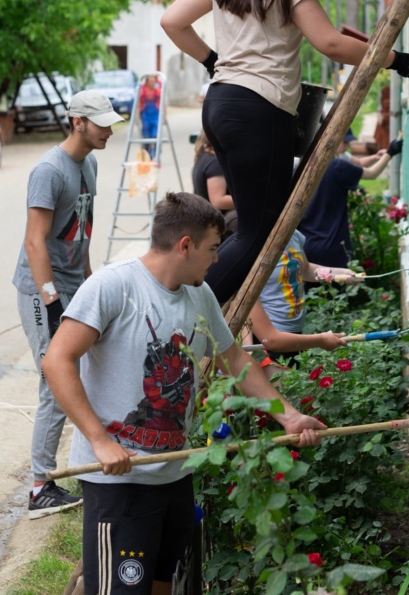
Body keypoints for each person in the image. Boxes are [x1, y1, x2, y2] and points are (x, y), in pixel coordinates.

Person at [42, 192, 324, 595]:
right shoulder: (112, 286)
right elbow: (57, 360)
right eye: (213, 248)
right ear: (185, 245)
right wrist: (99, 441)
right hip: (120, 481)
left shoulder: (199, 294)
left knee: (166, 586)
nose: (217, 259)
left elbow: (234, 359)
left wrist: (290, 417)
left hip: (174, 474)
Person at [160, 0, 409, 306]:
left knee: (247, 227)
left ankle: (189, 303)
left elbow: (172, 21)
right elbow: (330, 43)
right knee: (258, 235)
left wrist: (214, 61)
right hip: (259, 110)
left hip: (219, 104)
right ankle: (182, 310)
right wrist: (398, 60)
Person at [12, 89, 125, 519]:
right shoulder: (49, 170)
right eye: (102, 124)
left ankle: (91, 455)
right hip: (43, 290)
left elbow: (81, 230)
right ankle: (40, 487)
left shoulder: (89, 163)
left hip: (75, 285)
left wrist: (90, 282)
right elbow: (34, 241)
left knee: (90, 370)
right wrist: (52, 300)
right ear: (78, 122)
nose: (109, 131)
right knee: (55, 383)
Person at [245, 229, 360, 377]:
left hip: (295, 334)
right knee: (281, 390)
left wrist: (339, 273)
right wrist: (249, 349)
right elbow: (245, 299)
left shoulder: (293, 234)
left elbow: (305, 269)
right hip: (269, 335)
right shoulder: (255, 241)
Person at [299, 134, 404, 269]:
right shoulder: (337, 167)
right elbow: (372, 173)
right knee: (340, 281)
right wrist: (391, 152)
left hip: (305, 248)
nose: (347, 145)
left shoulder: (298, 169)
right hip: (334, 248)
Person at [191, 131, 237, 240]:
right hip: (217, 226)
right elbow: (218, 201)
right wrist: (251, 201)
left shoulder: (204, 155)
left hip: (205, 224)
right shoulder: (215, 161)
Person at [139, 75, 161, 156]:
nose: (153, 83)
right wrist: (138, 117)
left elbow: (162, 104)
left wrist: (164, 115)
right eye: (151, 81)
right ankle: (146, 154)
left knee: (155, 135)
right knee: (146, 136)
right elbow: (139, 104)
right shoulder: (142, 92)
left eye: (154, 81)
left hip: (155, 116)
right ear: (147, 82)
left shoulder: (158, 91)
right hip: (146, 116)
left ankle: (155, 154)